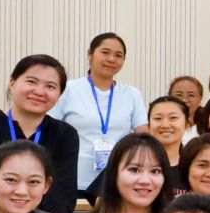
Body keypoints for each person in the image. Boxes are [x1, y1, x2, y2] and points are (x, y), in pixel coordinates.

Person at [0, 54, 81, 213]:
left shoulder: (66, 135)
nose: (39, 92)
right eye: (31, 82)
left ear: (59, 94)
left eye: (50, 86)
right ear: (12, 83)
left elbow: (62, 196)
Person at [48, 32, 144, 189]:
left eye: (118, 55)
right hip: (71, 177)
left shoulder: (132, 94)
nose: (111, 59)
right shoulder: (68, 89)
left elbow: (143, 136)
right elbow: (49, 131)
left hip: (116, 181)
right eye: (105, 52)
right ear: (90, 54)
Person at [143, 96, 191, 191]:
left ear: (186, 124)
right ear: (149, 126)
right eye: (158, 118)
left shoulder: (192, 167)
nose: (165, 125)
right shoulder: (134, 163)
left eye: (173, 118)